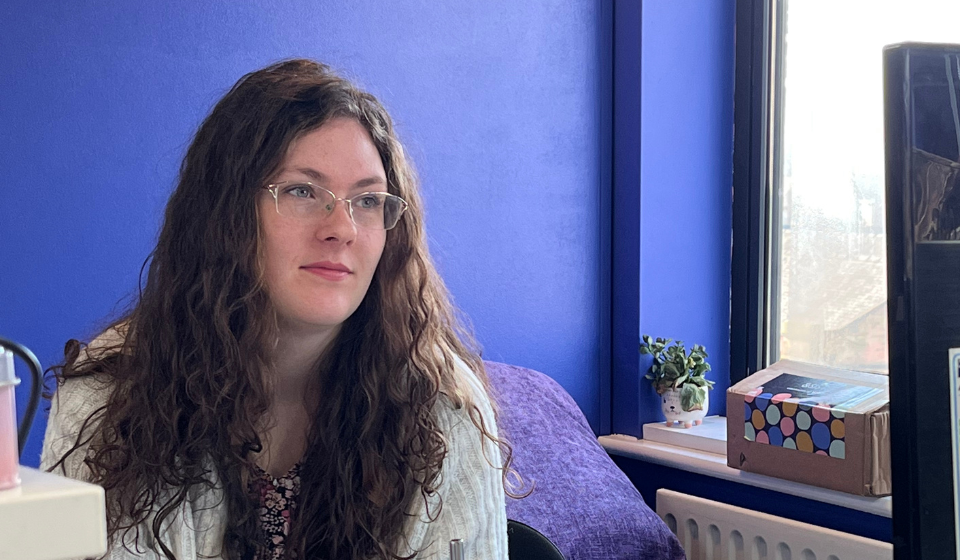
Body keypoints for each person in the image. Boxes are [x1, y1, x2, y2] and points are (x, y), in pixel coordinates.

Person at [41, 59, 513, 560]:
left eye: (368, 200)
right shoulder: (111, 397)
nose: (343, 228)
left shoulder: (440, 405)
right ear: (225, 215)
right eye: (302, 191)